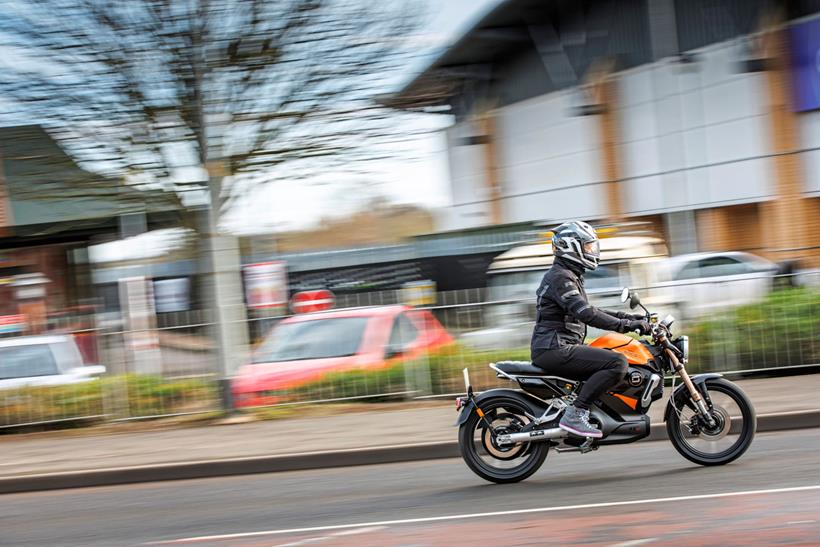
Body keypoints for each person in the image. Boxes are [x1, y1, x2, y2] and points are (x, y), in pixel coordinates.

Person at [531, 221, 651, 438]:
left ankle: (590, 413)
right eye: (588, 246)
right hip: (554, 348)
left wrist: (631, 318)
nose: (593, 251)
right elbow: (586, 314)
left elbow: (591, 310)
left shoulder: (568, 275)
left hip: (559, 346)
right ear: (571, 246)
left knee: (610, 355)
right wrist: (627, 326)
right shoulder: (561, 277)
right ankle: (576, 414)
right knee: (617, 362)